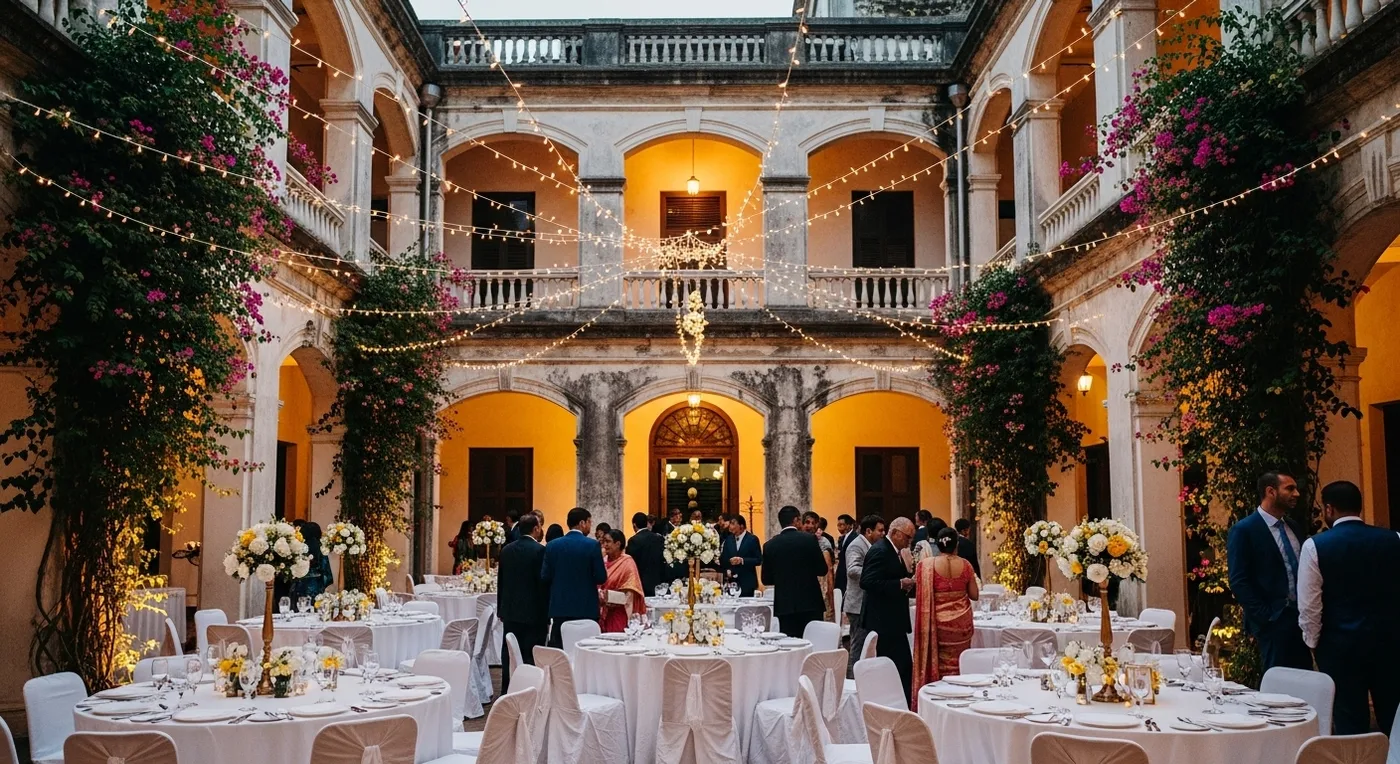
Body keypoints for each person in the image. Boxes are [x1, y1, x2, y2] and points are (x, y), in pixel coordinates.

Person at [1298, 480, 1400, 735]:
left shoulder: (1315, 546)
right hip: (1389, 642)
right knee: (1394, 716)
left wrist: (1313, 643)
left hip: (1340, 646)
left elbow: (1310, 605)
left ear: (1329, 509)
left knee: (1349, 721)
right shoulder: (1394, 539)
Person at [1226, 471, 1312, 672]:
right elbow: (1239, 580)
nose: (1297, 494)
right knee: (1278, 679)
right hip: (1273, 620)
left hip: (1301, 618)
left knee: (1305, 676)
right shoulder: (1244, 530)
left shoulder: (1293, 527)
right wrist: (1266, 617)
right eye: (1289, 488)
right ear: (1271, 491)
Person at [912, 528, 979, 707]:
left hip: (936, 624)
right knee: (959, 662)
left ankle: (938, 702)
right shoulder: (966, 565)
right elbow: (974, 595)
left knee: (939, 662)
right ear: (956, 544)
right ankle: (960, 699)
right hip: (961, 625)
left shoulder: (926, 566)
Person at [862, 516, 916, 706]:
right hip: (883, 620)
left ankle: (900, 703)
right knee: (896, 666)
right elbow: (867, 581)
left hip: (892, 619)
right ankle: (895, 704)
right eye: (907, 537)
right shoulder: (880, 550)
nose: (909, 541)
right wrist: (899, 584)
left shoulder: (893, 551)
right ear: (895, 533)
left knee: (902, 666)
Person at [541, 507, 608, 648]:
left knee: (561, 650)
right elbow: (601, 577)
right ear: (582, 523)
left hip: (560, 607)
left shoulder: (552, 546)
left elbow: (545, 576)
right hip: (586, 607)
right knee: (587, 649)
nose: (590, 526)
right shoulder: (592, 545)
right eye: (589, 522)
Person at [498, 514, 548, 694]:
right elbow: (542, 583)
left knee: (510, 652)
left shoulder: (506, 550)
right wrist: (546, 611)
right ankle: (530, 690)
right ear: (536, 528)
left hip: (510, 610)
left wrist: (501, 608)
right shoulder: (540, 551)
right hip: (534, 611)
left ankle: (508, 688)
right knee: (531, 653)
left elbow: (501, 582)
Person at [761, 505, 829, 638]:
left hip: (785, 604)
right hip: (810, 602)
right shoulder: (809, 540)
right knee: (813, 641)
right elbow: (822, 570)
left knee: (789, 643)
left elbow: (766, 579)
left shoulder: (769, 545)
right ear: (796, 520)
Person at [844, 514, 884, 678]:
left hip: (868, 604)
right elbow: (852, 570)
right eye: (880, 530)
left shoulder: (872, 546)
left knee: (868, 644)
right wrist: (876, 574)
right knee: (858, 645)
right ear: (868, 531)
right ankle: (853, 679)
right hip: (858, 604)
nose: (883, 533)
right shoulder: (856, 546)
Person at [598, 529, 647, 633]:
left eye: (608, 541)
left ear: (618, 544)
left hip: (619, 612)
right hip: (601, 613)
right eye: (603, 542)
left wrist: (609, 597)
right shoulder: (602, 561)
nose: (605, 545)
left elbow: (630, 594)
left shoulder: (627, 562)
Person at [803, 510, 836, 621]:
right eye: (807, 522)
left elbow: (828, 571)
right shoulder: (798, 541)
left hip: (820, 587)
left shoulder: (823, 542)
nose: (810, 526)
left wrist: (830, 595)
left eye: (814, 523)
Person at [288, 521, 333, 602]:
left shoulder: (298, 546)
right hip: (315, 584)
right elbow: (325, 568)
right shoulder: (320, 547)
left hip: (298, 584)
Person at [626, 512, 667, 597]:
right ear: (646, 523)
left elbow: (630, 564)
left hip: (640, 582)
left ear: (634, 525)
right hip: (657, 581)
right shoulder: (658, 538)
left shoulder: (633, 540)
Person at [721, 514, 762, 597]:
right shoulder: (728, 540)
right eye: (730, 523)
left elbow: (759, 560)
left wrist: (742, 560)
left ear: (741, 526)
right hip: (732, 583)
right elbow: (723, 559)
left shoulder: (752, 539)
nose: (730, 526)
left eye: (733, 524)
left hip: (748, 582)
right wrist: (729, 562)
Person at [835, 514, 856, 594]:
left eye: (842, 525)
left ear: (849, 526)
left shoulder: (854, 538)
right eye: (838, 525)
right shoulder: (842, 538)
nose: (839, 527)